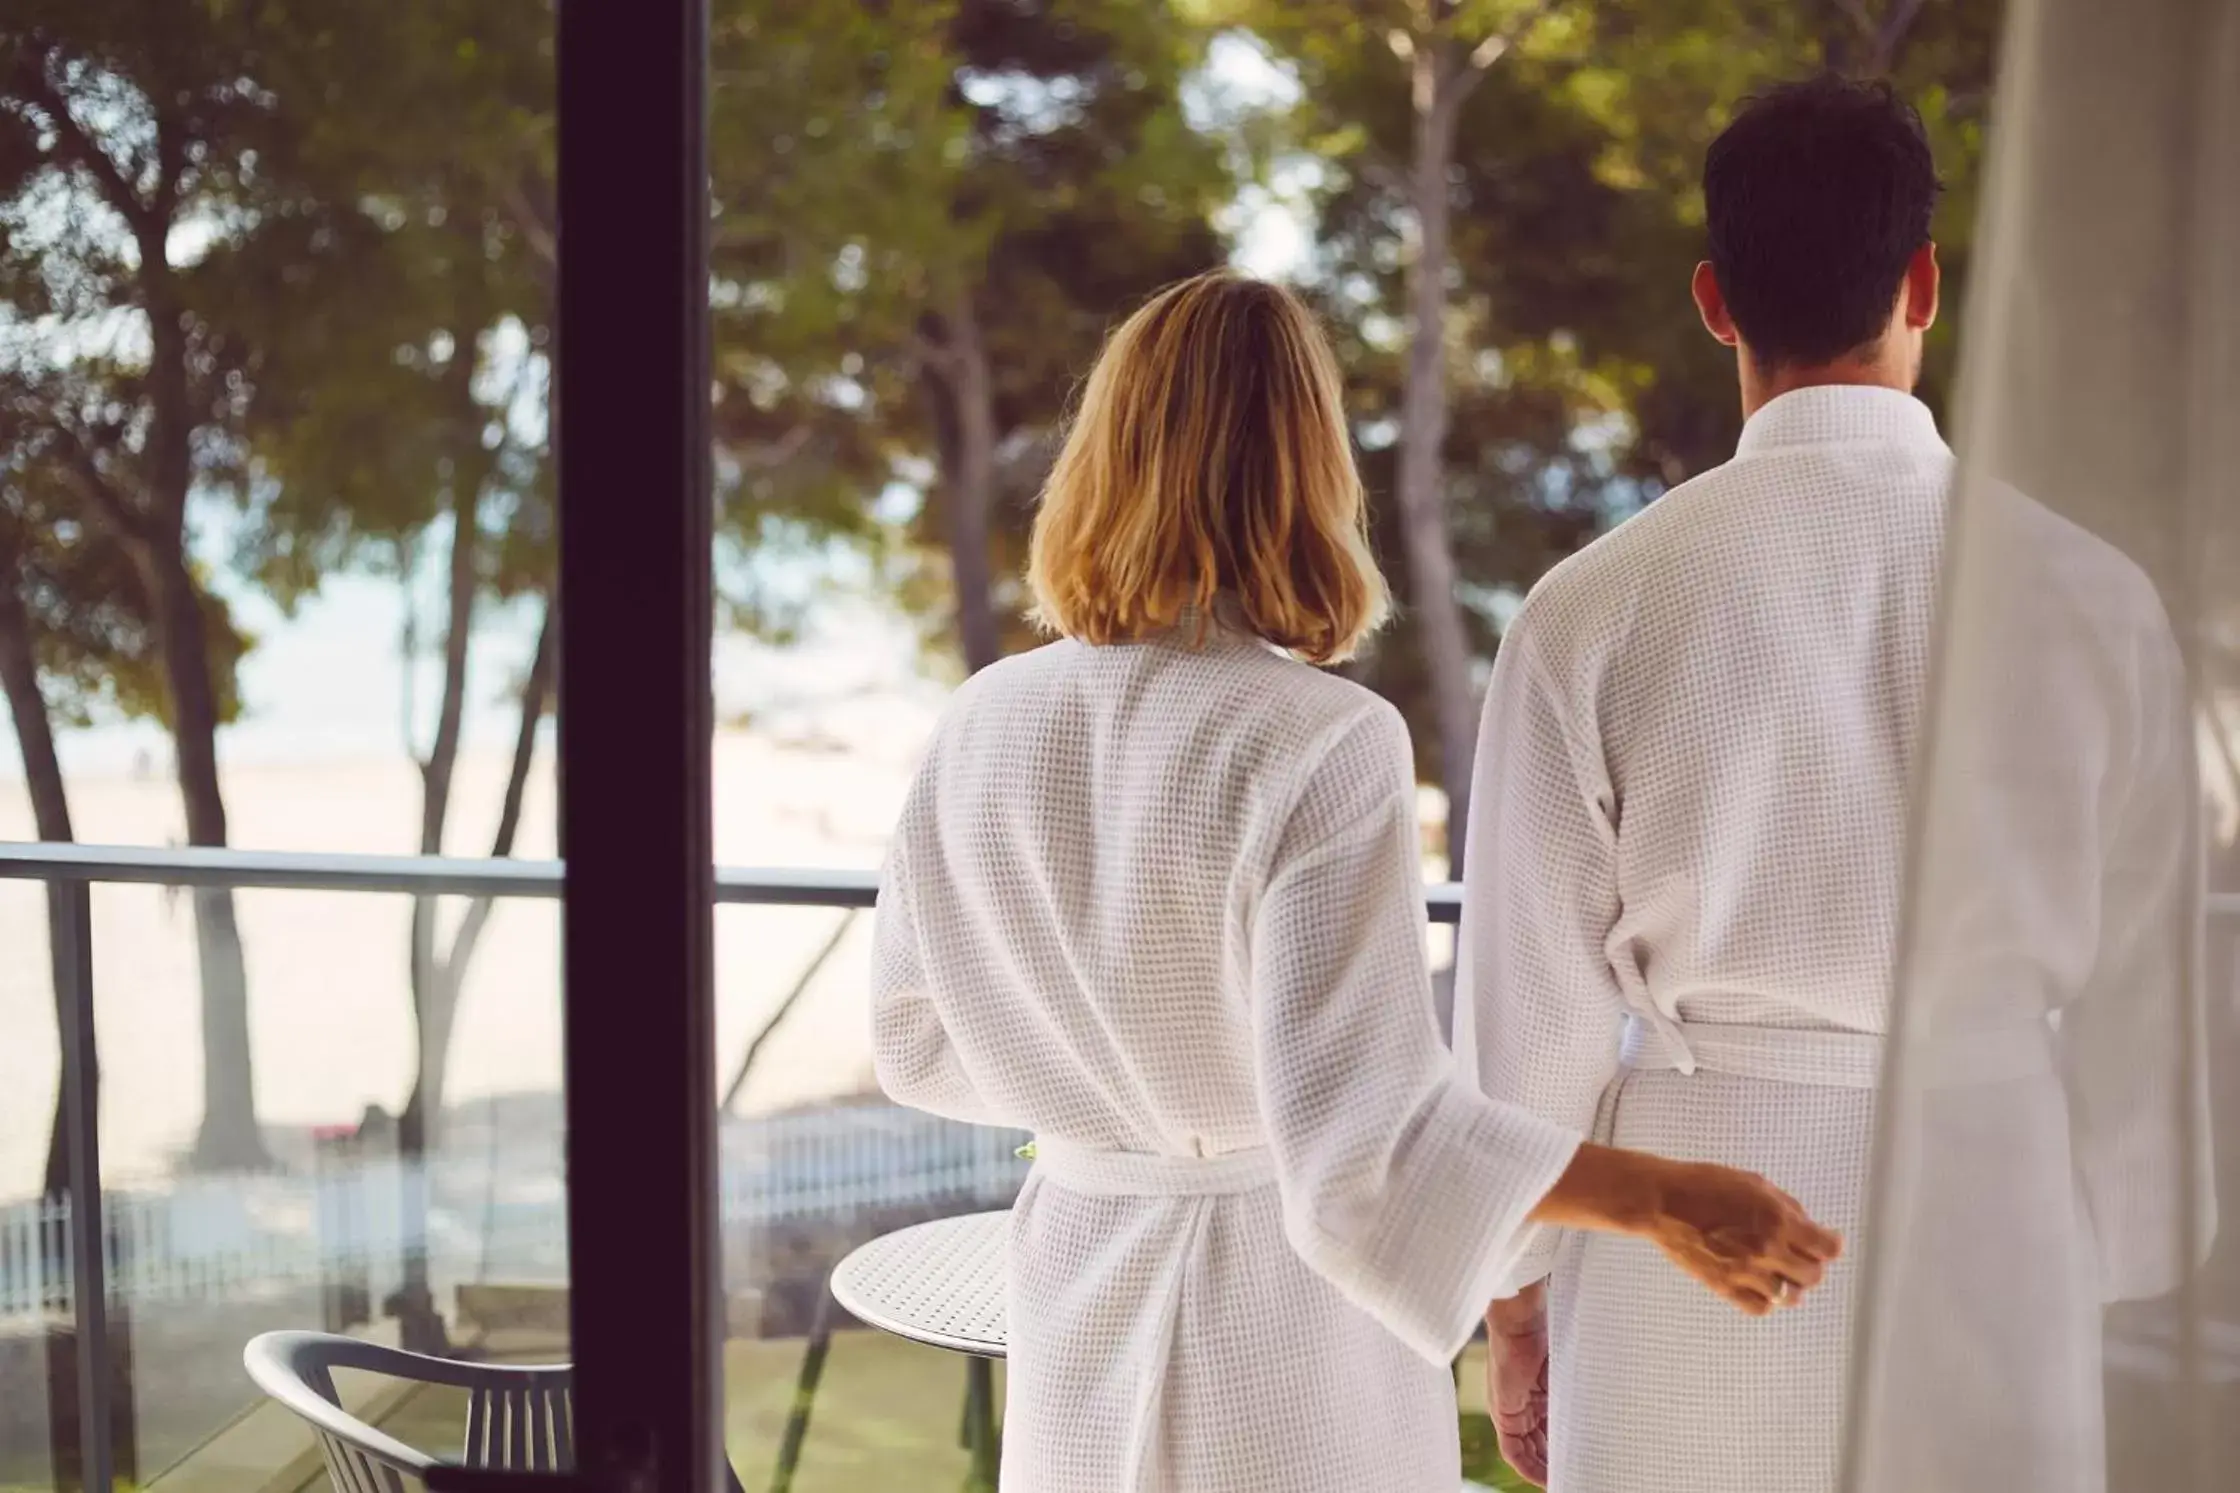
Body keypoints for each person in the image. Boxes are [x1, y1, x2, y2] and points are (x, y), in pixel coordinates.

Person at [871, 269, 1839, 1493]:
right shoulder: (1318, 739)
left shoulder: (980, 719)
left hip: (1078, 1279)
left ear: (1097, 452)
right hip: (1283, 1332)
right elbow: (1360, 1143)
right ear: (1307, 467)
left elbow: (914, 1048)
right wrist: (1660, 1196)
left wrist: (1118, 1103)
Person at [1456, 77, 1953, 1492]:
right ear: (1923, 282)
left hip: (1678, 1242)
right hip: (1989, 1207)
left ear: (1715, 300)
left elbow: (1528, 1020)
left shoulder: (1590, 607)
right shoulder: (2085, 597)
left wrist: (1518, 1295)